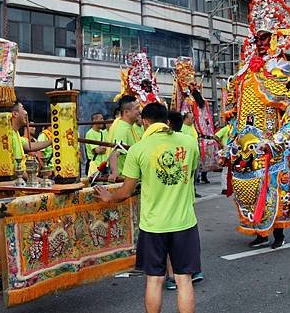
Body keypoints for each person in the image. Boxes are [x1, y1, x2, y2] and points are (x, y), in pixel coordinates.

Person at [220, 0, 290, 250]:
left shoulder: (284, 71)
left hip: (271, 144)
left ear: (276, 37)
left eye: (265, 37)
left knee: (274, 188)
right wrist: (229, 143)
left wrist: (279, 138)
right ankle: (258, 232)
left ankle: (277, 232)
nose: (260, 42)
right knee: (246, 189)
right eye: (257, 37)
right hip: (244, 145)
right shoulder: (244, 73)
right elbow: (237, 114)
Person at [94, 103, 201, 313]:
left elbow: (125, 191)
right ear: (166, 121)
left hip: (153, 225)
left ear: (145, 121)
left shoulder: (139, 149)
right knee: (184, 280)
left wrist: (108, 198)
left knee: (154, 281)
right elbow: (190, 175)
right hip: (184, 222)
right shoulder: (189, 143)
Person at [0, 101, 53, 292]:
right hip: (9, 190)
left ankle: (13, 273)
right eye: (23, 110)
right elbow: (13, 167)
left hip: (21, 188)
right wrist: (36, 179)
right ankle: (1, 275)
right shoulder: (4, 135)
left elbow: (30, 146)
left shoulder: (16, 135)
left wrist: (53, 140)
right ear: (13, 114)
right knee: (7, 235)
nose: (26, 112)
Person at [106, 95, 141, 183]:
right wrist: (115, 173)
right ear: (126, 112)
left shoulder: (128, 126)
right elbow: (115, 152)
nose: (139, 111)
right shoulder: (122, 129)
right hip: (125, 180)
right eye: (137, 108)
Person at [214, 122, 233, 194]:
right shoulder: (226, 128)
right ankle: (225, 188)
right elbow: (215, 136)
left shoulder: (235, 128)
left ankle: (230, 187)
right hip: (226, 151)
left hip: (233, 150)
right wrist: (222, 144)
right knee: (225, 170)